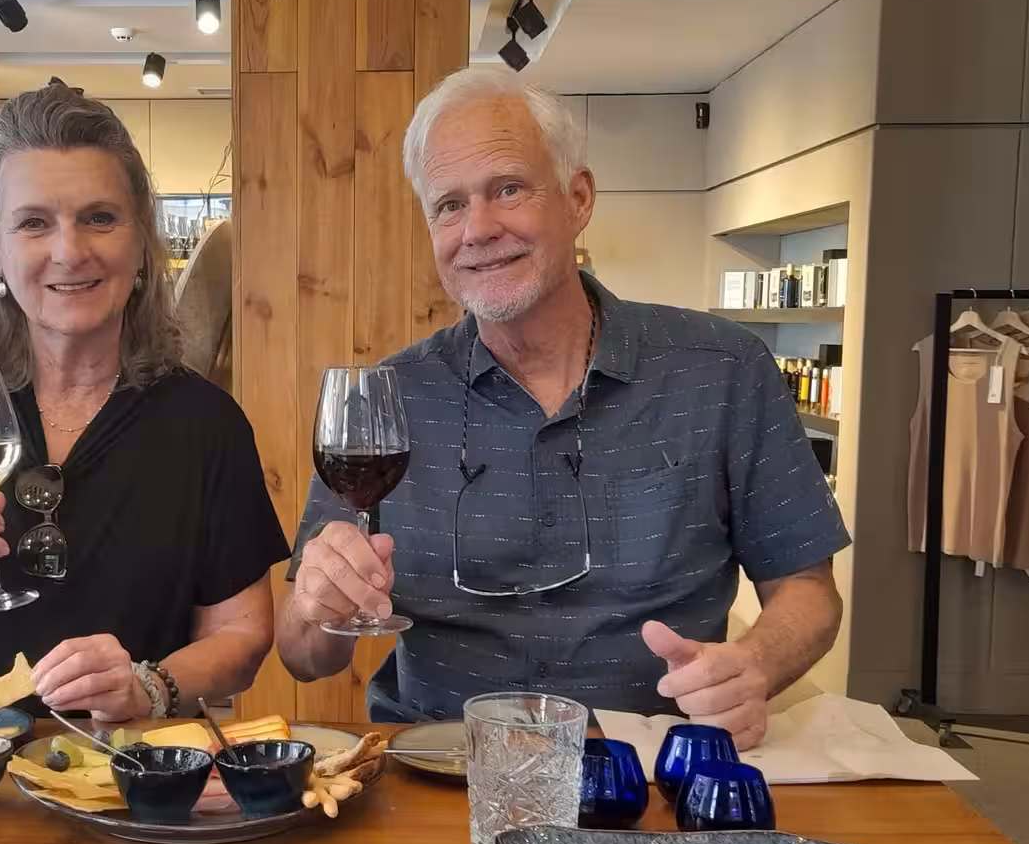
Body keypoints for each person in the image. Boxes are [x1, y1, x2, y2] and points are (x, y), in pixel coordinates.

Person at [276, 67, 848, 749]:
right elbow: (304, 657)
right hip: (433, 777)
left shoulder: (721, 370)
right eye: (448, 206)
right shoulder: (390, 398)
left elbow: (808, 588)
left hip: (648, 771)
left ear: (578, 198)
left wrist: (755, 664)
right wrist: (316, 606)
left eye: (508, 189)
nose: (478, 229)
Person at [0, 82, 289, 722]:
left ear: (140, 241)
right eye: (34, 222)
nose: (69, 250)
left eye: (99, 217)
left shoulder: (206, 424)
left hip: (133, 783)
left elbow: (242, 636)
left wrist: (149, 685)